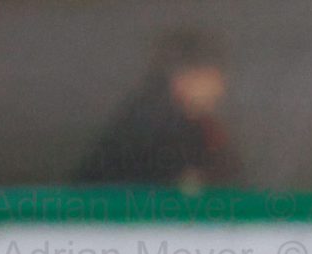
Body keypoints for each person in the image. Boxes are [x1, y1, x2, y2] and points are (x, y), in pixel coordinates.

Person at [74, 27, 241, 191]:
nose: (221, 88)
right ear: (183, 78)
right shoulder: (152, 128)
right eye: (213, 76)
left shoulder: (198, 126)